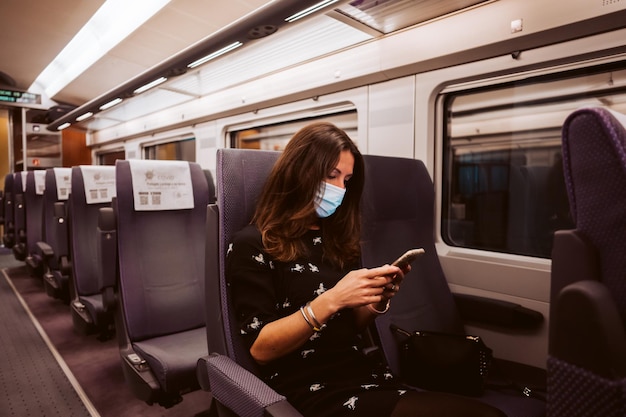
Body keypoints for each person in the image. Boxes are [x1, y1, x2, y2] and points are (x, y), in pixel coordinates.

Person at [228, 121, 506, 417]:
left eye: (346, 180)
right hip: (308, 388)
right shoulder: (252, 244)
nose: (339, 189)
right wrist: (333, 298)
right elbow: (260, 349)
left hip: (363, 373)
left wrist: (376, 300)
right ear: (298, 171)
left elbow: (348, 327)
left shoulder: (334, 239)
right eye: (330, 175)